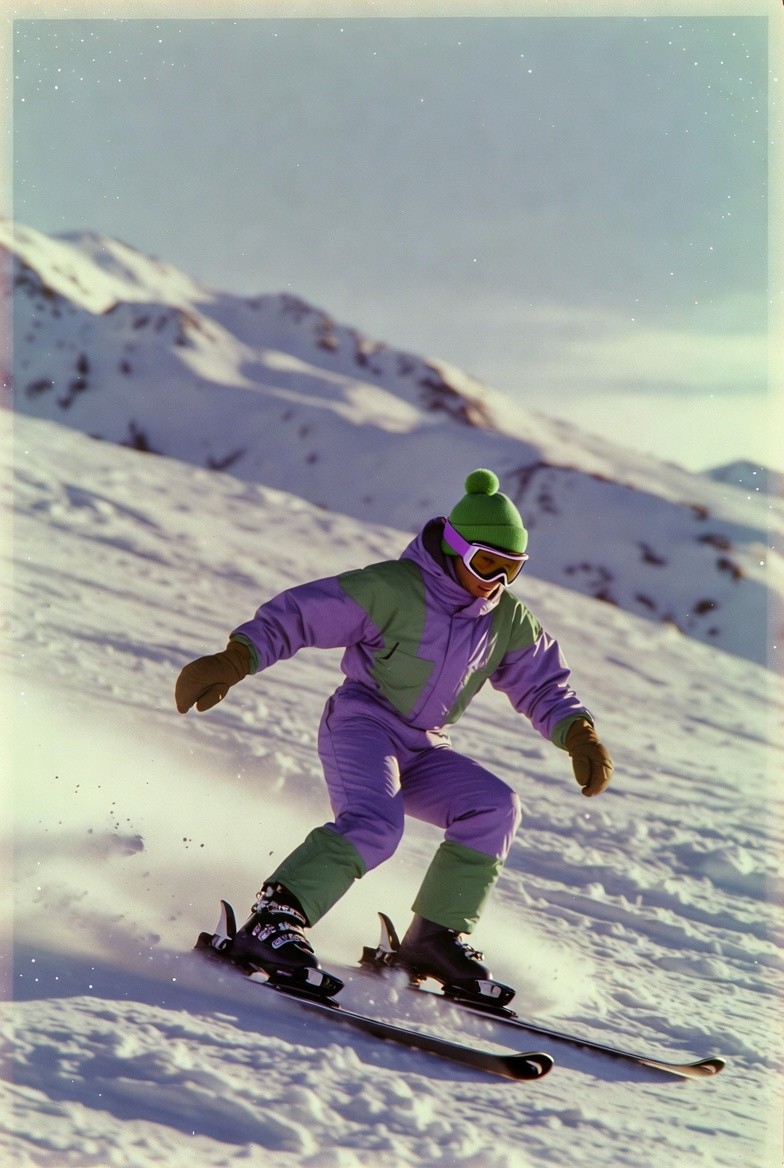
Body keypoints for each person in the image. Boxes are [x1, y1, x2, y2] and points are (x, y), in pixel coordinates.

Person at [175, 469, 613, 992]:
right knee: (376, 824)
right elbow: (303, 615)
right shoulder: (392, 588)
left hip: (425, 742)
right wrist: (236, 658)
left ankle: (434, 937)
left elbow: (542, 685)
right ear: (454, 547)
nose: (494, 579)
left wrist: (578, 733)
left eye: (510, 569)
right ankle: (274, 920)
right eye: (485, 562)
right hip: (362, 723)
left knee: (495, 807)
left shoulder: (506, 620)